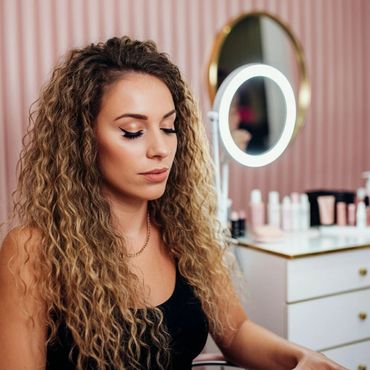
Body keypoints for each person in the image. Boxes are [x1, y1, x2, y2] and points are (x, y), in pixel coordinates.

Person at [0, 36, 346, 370]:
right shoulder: (33, 251)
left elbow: (236, 332)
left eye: (169, 127)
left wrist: (300, 358)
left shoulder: (187, 234)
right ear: (82, 140)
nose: (160, 149)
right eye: (133, 131)